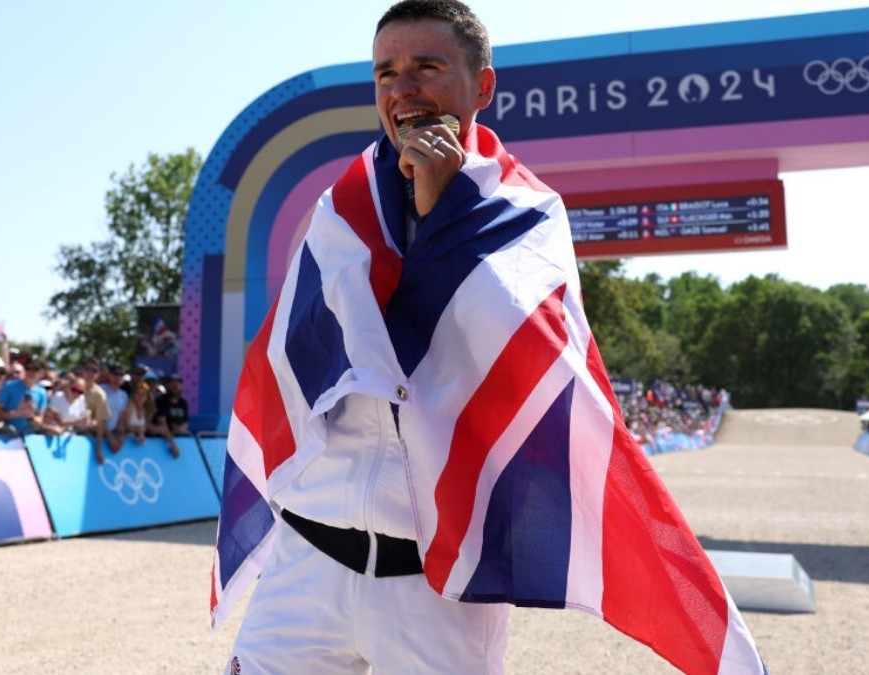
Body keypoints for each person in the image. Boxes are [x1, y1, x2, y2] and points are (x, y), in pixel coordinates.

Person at [219, 3, 762, 673]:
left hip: (437, 585)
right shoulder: (340, 208)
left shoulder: (528, 212)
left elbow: (517, 355)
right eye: (385, 73)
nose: (403, 89)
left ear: (483, 87)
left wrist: (444, 210)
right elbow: (296, 356)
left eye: (427, 67)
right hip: (307, 558)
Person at [0, 358, 49, 435]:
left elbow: (40, 419)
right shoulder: (9, 386)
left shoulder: (42, 393)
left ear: (42, 372)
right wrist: (14, 414)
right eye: (28, 368)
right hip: (8, 435)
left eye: (35, 369)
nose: (30, 372)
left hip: (30, 438)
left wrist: (31, 417)